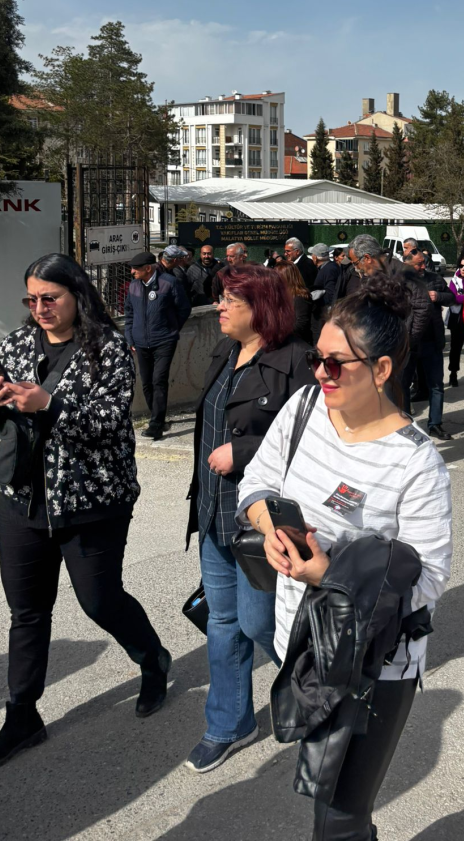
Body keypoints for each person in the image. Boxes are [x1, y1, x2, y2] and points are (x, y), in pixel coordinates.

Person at [237, 274, 453, 841]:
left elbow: (430, 579)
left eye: (338, 364)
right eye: (317, 358)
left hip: (371, 663)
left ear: (381, 370)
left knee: (338, 816)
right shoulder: (306, 406)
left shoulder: (417, 462)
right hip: (302, 645)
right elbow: (257, 480)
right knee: (324, 800)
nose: (321, 374)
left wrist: (328, 574)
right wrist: (269, 528)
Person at [0, 254, 170, 771]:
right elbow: (1, 420)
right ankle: (23, 715)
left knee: (100, 600)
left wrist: (50, 404)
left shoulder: (107, 347)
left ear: (77, 295)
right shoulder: (18, 344)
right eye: (33, 299)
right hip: (21, 501)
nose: (41, 308)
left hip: (92, 503)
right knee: (27, 613)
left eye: (51, 298)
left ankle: (151, 659)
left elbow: (114, 421)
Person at [185, 264, 314, 774]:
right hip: (213, 511)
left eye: (229, 300)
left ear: (260, 308)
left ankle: (316, 686)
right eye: (220, 298)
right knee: (221, 622)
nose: (218, 307)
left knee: (261, 622)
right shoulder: (224, 351)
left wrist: (242, 451)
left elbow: (311, 437)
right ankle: (229, 723)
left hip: (261, 520)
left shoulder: (297, 360)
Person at [124, 250, 191, 440]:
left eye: (135, 269)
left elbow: (184, 309)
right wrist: (130, 338)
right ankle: (157, 416)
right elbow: (129, 314)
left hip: (164, 341)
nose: (132, 272)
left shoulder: (169, 283)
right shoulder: (134, 287)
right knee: (146, 383)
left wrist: (171, 329)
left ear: (147, 268)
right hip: (140, 343)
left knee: (158, 380)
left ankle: (156, 424)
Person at [347, 234, 430, 354]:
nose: (357, 268)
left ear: (367, 258)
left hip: (399, 348)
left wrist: (408, 341)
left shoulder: (401, 272)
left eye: (356, 263)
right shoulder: (370, 276)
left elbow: (423, 306)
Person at [404, 250, 453, 440]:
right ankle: (407, 425)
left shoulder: (435, 278)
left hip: (432, 340)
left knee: (436, 385)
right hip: (408, 342)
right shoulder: (399, 282)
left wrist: (438, 296)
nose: (423, 266)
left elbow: (451, 298)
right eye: (418, 264)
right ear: (406, 263)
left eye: (424, 262)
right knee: (404, 385)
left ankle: (435, 424)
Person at [447, 255, 464, 387]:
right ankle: (453, 373)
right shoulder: (455, 280)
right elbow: (453, 298)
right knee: (455, 348)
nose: (463, 269)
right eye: (461, 266)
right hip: (457, 318)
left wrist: (463, 297)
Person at [274, 259, 313, 345]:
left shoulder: (300, 297)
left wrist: (279, 333)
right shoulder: (280, 294)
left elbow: (301, 324)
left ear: (286, 277)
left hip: (295, 343)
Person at [310, 243, 340, 342]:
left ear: (316, 257)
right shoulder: (327, 267)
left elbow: (330, 293)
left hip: (323, 313)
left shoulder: (329, 269)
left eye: (312, 255)